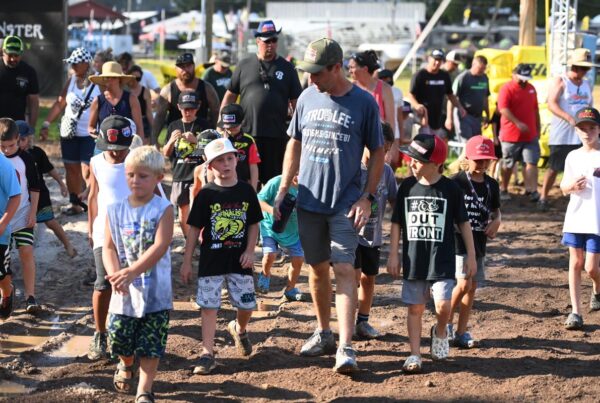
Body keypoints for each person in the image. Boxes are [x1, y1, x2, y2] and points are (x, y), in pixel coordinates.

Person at [274, 38, 384, 373]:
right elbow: (295, 143)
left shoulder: (364, 103)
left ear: (336, 68)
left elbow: (378, 151)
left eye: (316, 73)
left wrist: (367, 196)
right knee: (317, 268)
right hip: (309, 202)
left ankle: (346, 347)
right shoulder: (307, 97)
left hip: (345, 203)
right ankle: (323, 333)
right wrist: (282, 188)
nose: (310, 79)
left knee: (345, 268)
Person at [387, 133, 476, 373]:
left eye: (417, 160)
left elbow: (464, 224)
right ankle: (415, 354)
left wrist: (471, 255)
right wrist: (393, 254)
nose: (411, 163)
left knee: (443, 306)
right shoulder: (406, 186)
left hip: (442, 260)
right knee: (415, 308)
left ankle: (439, 331)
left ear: (436, 164)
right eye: (410, 158)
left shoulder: (451, 189)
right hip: (414, 260)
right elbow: (397, 223)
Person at [181, 138, 262, 375]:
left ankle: (239, 327)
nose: (226, 164)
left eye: (229, 158)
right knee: (209, 306)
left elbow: (254, 224)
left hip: (240, 259)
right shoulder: (206, 194)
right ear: (209, 166)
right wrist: (187, 261)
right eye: (219, 161)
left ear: (237, 159)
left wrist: (250, 250)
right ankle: (207, 352)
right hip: (211, 259)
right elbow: (194, 229)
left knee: (247, 304)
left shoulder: (246, 190)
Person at [103, 146, 173, 402]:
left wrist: (132, 271)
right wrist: (114, 276)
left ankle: (145, 389)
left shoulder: (164, 208)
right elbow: (108, 247)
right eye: (131, 175)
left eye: (143, 176)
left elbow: (161, 245)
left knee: (151, 343)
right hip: (123, 288)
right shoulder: (115, 209)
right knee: (118, 337)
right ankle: (126, 361)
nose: (135, 180)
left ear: (158, 178)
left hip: (156, 289)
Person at [221, 20, 303, 185]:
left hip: (276, 136)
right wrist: (221, 122)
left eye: (274, 40)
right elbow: (230, 95)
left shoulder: (287, 68)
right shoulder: (244, 65)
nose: (271, 44)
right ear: (258, 40)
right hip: (246, 136)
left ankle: (269, 211)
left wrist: (299, 132)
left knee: (272, 181)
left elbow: (297, 103)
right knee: (245, 180)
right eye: (267, 41)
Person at [87, 116, 133, 360]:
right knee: (103, 283)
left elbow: (156, 194)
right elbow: (93, 196)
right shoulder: (96, 162)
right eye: (111, 149)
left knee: (130, 282)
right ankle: (100, 333)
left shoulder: (137, 162)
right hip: (103, 232)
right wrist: (90, 227)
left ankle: (128, 332)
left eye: (121, 149)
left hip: (133, 232)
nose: (116, 154)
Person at [449, 135, 501, 348]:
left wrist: (497, 221)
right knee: (463, 283)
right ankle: (444, 324)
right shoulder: (456, 181)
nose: (482, 164)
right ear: (468, 157)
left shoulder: (492, 184)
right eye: (478, 159)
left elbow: (496, 211)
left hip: (479, 240)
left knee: (472, 286)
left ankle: (461, 331)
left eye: (486, 159)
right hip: (458, 240)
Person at [41, 47, 101, 215]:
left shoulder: (98, 82)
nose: (72, 67)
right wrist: (46, 123)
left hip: (90, 134)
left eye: (75, 64)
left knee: (88, 170)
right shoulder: (71, 80)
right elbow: (60, 103)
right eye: (71, 63)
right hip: (70, 134)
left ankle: (92, 203)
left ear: (85, 64)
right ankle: (75, 203)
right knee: (71, 168)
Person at [354, 122, 397, 339]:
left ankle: (363, 320)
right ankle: (346, 319)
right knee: (351, 276)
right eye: (379, 148)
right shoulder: (352, 167)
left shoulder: (386, 172)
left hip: (373, 235)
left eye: (387, 151)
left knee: (368, 278)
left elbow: (394, 200)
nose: (383, 154)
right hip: (350, 234)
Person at [559, 107, 600, 330]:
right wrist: (571, 186)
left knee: (592, 268)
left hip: (597, 219)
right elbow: (563, 186)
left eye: (592, 127)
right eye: (582, 128)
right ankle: (575, 312)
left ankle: (597, 289)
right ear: (576, 131)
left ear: (599, 129)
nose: (587, 132)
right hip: (576, 216)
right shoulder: (572, 156)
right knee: (575, 262)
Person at [539, 49, 594, 210]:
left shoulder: (586, 84)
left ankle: (578, 195)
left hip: (581, 134)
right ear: (574, 66)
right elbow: (551, 103)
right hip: (562, 134)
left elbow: (589, 105)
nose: (585, 72)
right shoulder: (561, 81)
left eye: (587, 69)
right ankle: (543, 196)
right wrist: (570, 118)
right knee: (554, 166)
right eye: (583, 68)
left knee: (583, 165)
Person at [16, 121, 76, 258]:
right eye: (16, 140)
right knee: (22, 225)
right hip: (20, 198)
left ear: (30, 138)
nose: (20, 143)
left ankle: (68, 244)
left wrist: (61, 183)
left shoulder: (37, 153)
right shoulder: (8, 157)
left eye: (23, 140)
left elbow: (49, 169)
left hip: (40, 195)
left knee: (50, 221)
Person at [0, 118, 41, 313]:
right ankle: (6, 294)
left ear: (19, 139)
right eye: (2, 146)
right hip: (3, 218)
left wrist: (33, 213)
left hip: (23, 214)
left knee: (26, 252)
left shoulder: (27, 159)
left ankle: (30, 296)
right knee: (4, 261)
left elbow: (34, 187)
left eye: (11, 145)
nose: (7, 150)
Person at [163, 91, 211, 236]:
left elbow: (212, 151)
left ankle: (203, 239)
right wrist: (171, 140)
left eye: (192, 108)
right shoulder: (173, 125)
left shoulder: (204, 125)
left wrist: (196, 141)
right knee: (183, 209)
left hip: (200, 173)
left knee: (201, 208)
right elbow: (165, 152)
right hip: (180, 174)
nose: (188, 112)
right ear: (178, 107)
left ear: (198, 107)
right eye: (185, 109)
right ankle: (189, 240)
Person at [152, 53, 219, 145]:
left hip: (201, 141)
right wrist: (154, 139)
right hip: (176, 142)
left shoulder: (207, 88)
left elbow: (216, 112)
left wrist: (216, 135)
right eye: (182, 67)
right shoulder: (168, 90)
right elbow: (159, 117)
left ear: (194, 66)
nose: (186, 70)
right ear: (176, 69)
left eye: (188, 66)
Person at [256, 173, 305, 301]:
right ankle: (265, 274)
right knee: (270, 254)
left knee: (299, 259)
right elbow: (258, 199)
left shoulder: (310, 188)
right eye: (297, 171)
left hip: (293, 231)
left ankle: (290, 289)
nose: (299, 175)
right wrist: (272, 210)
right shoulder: (277, 182)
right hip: (270, 227)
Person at [497, 64, 541, 201]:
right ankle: (503, 188)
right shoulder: (506, 88)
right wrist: (517, 123)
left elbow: (535, 109)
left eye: (526, 78)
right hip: (511, 135)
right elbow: (503, 109)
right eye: (521, 78)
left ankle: (532, 190)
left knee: (531, 162)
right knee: (509, 164)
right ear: (513, 74)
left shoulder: (531, 88)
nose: (523, 81)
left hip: (530, 135)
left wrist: (538, 127)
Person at [348, 52, 397, 167]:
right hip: (354, 145)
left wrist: (389, 149)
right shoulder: (349, 88)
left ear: (364, 69)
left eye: (352, 67)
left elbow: (390, 121)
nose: (349, 70)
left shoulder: (385, 89)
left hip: (377, 146)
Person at [406, 49, 466, 140]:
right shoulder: (420, 75)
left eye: (440, 60)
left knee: (437, 144)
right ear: (430, 59)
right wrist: (417, 105)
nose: (437, 62)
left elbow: (450, 95)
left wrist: (460, 107)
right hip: (423, 118)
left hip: (437, 117)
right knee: (424, 145)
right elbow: (410, 94)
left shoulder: (444, 75)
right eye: (435, 59)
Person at [89, 61, 145, 141]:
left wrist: (139, 147)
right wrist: (94, 132)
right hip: (103, 147)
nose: (109, 80)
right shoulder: (98, 101)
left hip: (127, 147)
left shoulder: (131, 99)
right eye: (106, 77)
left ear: (119, 79)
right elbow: (90, 126)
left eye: (113, 77)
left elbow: (139, 127)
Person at [0, 137, 21, 320]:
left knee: (2, 276)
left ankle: (7, 292)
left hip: (0, 233)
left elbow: (15, 196)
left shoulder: (3, 164)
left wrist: (3, 223)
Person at [0, 35, 39, 133]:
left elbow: (33, 101)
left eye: (16, 55)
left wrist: (31, 128)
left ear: (21, 54)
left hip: (18, 125)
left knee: (17, 148)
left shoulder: (28, 72)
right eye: (10, 55)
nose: (13, 59)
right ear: (3, 52)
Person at [217, 103, 260, 190]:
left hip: (242, 184)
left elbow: (253, 166)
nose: (231, 129)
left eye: (234, 126)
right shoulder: (218, 138)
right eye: (227, 127)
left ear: (242, 122)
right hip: (222, 184)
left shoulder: (248, 140)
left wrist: (253, 188)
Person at [449, 55, 490, 142]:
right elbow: (451, 97)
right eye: (480, 68)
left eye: (484, 68)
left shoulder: (484, 78)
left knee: (477, 144)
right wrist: (449, 118)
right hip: (464, 115)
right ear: (473, 64)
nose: (482, 71)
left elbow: (485, 98)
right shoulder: (463, 78)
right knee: (467, 145)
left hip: (477, 117)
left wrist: (487, 115)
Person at [127, 65, 155, 145]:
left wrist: (153, 128)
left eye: (138, 78)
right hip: (128, 121)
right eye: (133, 78)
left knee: (142, 146)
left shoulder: (144, 91)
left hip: (143, 122)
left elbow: (149, 111)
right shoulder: (124, 89)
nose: (135, 81)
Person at [378, 69, 406, 145]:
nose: (385, 80)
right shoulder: (376, 91)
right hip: (378, 132)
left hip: (395, 132)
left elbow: (400, 116)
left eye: (387, 78)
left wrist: (401, 135)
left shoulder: (397, 92)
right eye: (382, 78)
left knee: (392, 156)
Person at [190, 129, 219, 201]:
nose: (205, 156)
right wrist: (193, 209)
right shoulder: (199, 169)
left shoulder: (228, 168)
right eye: (203, 153)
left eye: (208, 153)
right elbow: (195, 191)